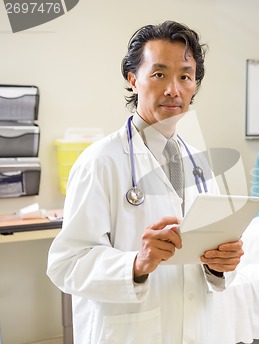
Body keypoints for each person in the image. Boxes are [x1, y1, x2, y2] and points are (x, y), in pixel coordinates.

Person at [46, 21, 244, 343]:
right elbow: (66, 264)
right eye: (159, 74)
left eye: (185, 76)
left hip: (196, 329)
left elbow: (213, 260)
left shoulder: (200, 162)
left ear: (195, 84)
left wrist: (221, 264)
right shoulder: (100, 161)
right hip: (129, 332)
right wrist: (136, 263)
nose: (173, 90)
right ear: (133, 79)